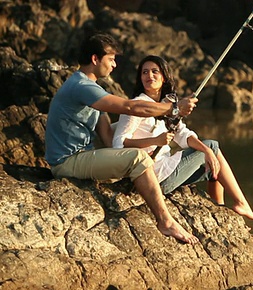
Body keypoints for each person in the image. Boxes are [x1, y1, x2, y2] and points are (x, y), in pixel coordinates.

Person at [45, 33, 200, 245]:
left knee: (126, 129)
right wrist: (174, 108)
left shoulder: (93, 89)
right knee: (138, 158)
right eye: (111, 59)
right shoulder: (81, 86)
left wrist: (149, 139)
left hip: (84, 154)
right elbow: (130, 107)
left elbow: (109, 138)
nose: (114, 65)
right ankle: (165, 222)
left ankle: (144, 176)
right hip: (67, 161)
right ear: (95, 59)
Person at [112, 55, 253, 220]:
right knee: (212, 145)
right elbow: (119, 144)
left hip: (167, 167)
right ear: (140, 78)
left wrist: (206, 151)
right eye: (145, 72)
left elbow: (183, 134)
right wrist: (154, 141)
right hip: (154, 176)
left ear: (165, 77)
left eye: (155, 71)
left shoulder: (168, 105)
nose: (149, 76)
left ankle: (219, 208)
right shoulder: (137, 105)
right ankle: (241, 203)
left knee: (213, 161)